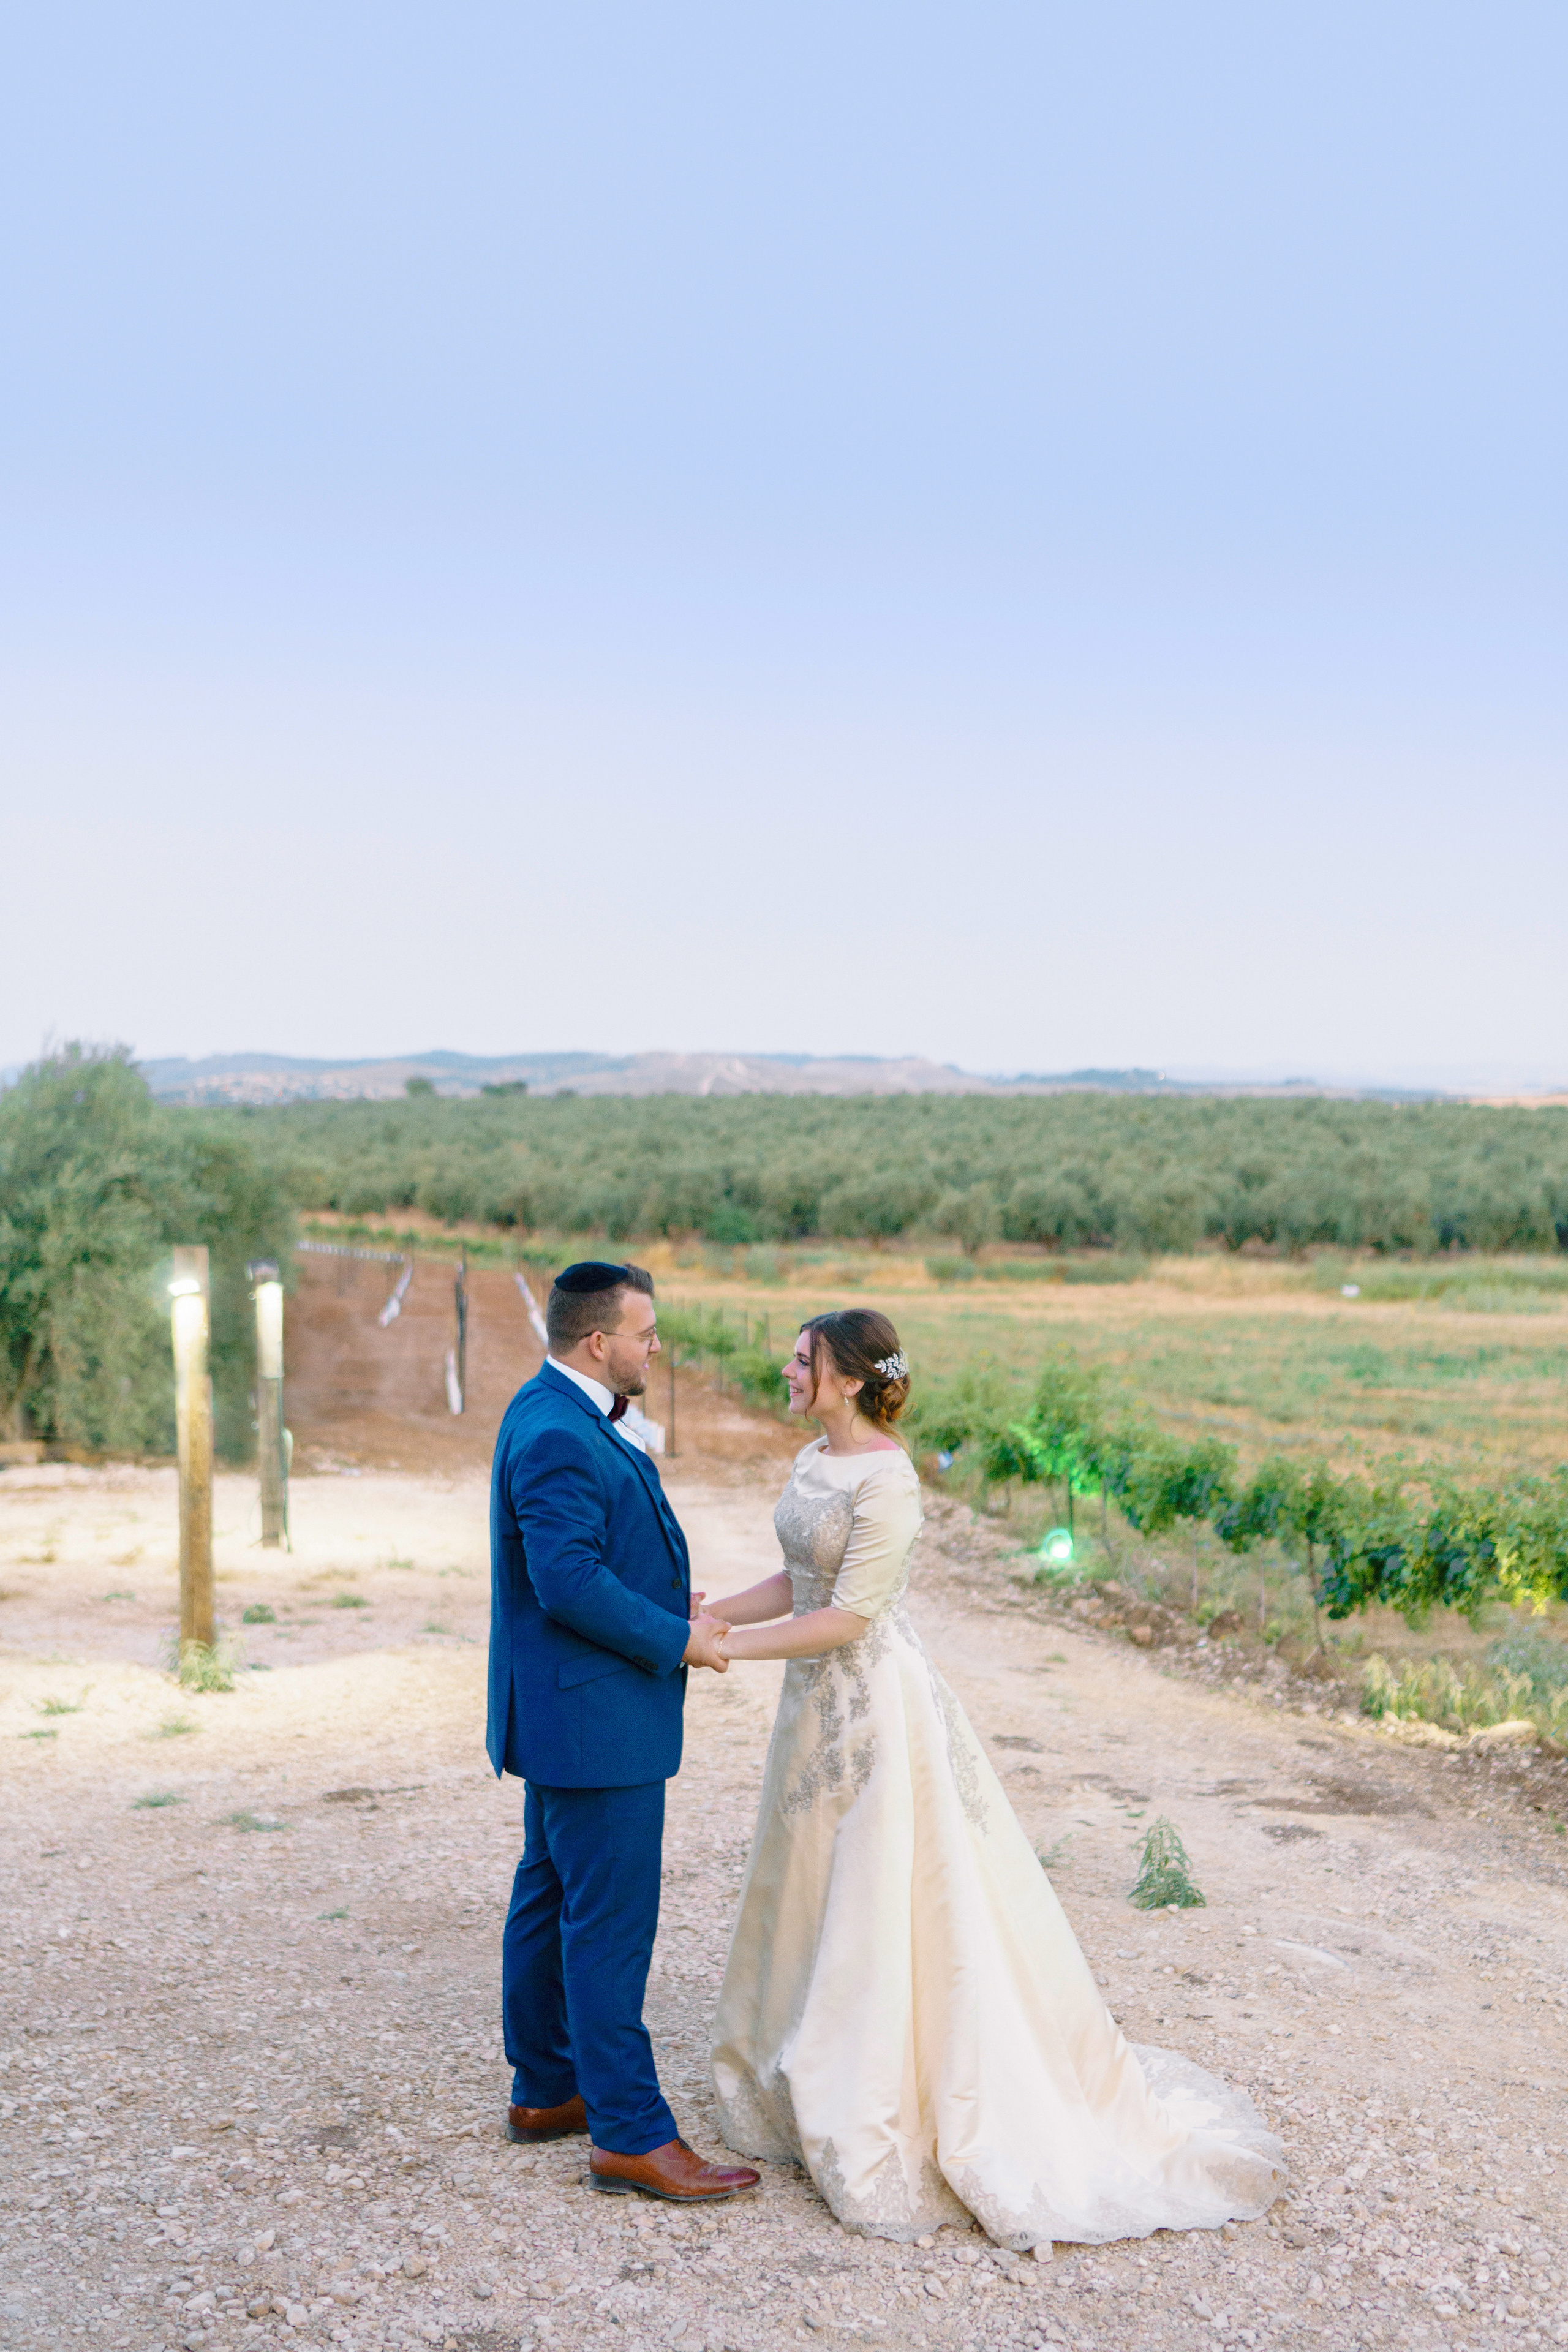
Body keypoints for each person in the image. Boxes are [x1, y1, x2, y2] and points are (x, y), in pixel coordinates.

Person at [704, 1308, 1284, 2247]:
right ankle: (791, 2068)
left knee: (876, 1892)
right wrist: (713, 1616)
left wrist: (722, 1653)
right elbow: (797, 1579)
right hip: (812, 1711)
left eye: (802, 1358)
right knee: (808, 1881)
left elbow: (851, 1616)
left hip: (872, 1710)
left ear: (850, 1378)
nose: (785, 1366)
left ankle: (879, 2092)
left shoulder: (890, 1481)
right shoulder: (815, 1458)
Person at [487, 1259, 760, 2204]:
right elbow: (565, 1579)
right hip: (595, 1719)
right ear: (599, 1342)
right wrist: (676, 1640)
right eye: (647, 1333)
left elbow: (586, 1559)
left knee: (551, 1898)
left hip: (567, 1712)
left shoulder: (546, 1409)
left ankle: (548, 2087)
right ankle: (631, 2136)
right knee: (607, 1926)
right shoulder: (561, 1431)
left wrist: (662, 1600)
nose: (657, 1347)